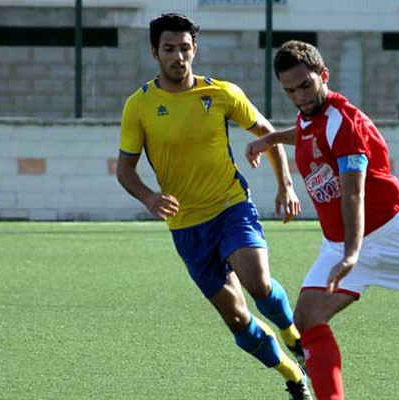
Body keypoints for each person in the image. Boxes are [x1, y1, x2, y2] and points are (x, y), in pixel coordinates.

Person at [245, 40, 399, 400]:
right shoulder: (309, 115)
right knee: (307, 318)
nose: (299, 97)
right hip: (341, 243)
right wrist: (271, 138)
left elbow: (354, 192)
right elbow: (303, 131)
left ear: (324, 76)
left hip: (395, 233)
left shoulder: (344, 123)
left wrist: (352, 254)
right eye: (290, 91)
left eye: (305, 86)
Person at [116, 14, 312, 400]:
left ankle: (294, 337)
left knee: (258, 284)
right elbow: (125, 170)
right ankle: (292, 375)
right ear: (155, 52)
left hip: (230, 207)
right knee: (238, 318)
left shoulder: (221, 93)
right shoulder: (138, 105)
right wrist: (149, 197)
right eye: (169, 49)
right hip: (187, 228)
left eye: (185, 48)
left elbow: (267, 135)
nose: (178, 56)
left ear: (195, 49)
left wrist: (286, 185)